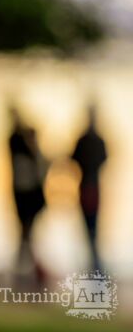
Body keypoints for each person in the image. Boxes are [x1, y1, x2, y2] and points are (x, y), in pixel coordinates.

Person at [9, 111, 47, 281]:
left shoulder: (34, 156)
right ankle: (26, 273)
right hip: (23, 198)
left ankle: (29, 273)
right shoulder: (15, 143)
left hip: (31, 198)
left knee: (28, 236)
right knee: (25, 236)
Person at [71, 107, 107, 271]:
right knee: (91, 228)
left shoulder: (88, 140)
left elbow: (72, 159)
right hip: (90, 186)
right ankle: (94, 264)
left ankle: (94, 265)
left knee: (91, 228)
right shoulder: (94, 140)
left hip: (89, 187)